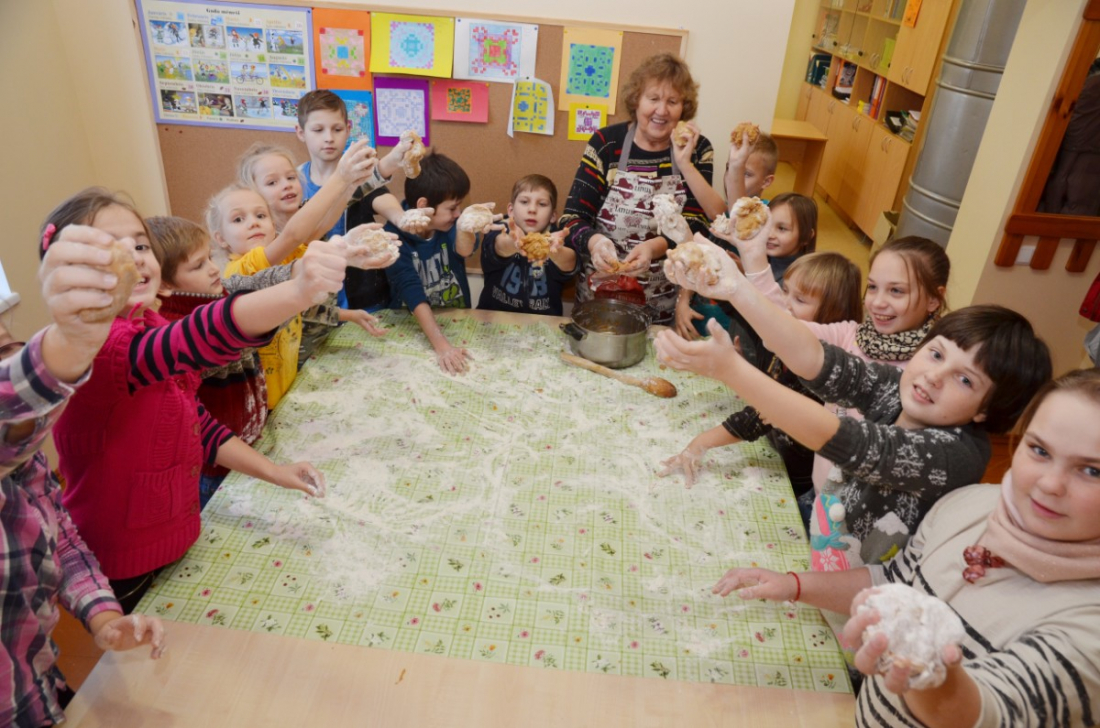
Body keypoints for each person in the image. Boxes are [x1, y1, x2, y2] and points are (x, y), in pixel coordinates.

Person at [657, 236, 1052, 627]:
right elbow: (816, 358)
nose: (933, 377)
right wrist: (736, 287)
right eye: (935, 354)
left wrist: (730, 370)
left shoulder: (954, 453)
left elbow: (845, 439)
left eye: (964, 380)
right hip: (828, 579)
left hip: (879, 621)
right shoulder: (897, 392)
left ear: (987, 410)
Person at [713, 368, 1100, 727]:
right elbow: (893, 582)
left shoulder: (1089, 627)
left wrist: (927, 672)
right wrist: (795, 585)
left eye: (1092, 470)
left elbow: (993, 713)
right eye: (1039, 450)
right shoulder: (968, 505)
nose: (1049, 483)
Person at [43, 188, 345, 612]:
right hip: (119, 563)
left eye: (140, 244)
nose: (132, 256)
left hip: (179, 532)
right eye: (109, 250)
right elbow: (199, 334)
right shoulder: (101, 350)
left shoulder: (149, 322)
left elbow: (197, 424)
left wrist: (274, 472)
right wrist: (299, 291)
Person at [1, 229, 166, 727]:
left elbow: (60, 541)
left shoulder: (25, 463)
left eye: (6, 338)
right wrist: (71, 344)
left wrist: (103, 617)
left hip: (37, 688)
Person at [661, 251, 862, 526]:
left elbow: (756, 418)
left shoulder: (820, 372)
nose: (785, 304)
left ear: (832, 315)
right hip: (776, 448)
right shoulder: (787, 337)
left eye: (800, 300)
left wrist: (699, 444)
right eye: (785, 292)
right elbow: (749, 318)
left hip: (797, 477)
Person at [210, 139, 378, 408]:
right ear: (221, 238)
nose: (253, 223)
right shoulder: (241, 267)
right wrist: (341, 178)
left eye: (260, 216)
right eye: (239, 220)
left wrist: (349, 188)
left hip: (287, 377)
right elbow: (294, 234)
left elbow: (315, 229)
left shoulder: (281, 248)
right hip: (260, 392)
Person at [148, 216, 297, 507]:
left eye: (209, 258)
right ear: (164, 283)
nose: (214, 268)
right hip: (214, 466)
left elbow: (256, 282)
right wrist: (301, 291)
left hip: (253, 442)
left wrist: (298, 270)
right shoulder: (174, 333)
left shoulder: (219, 291)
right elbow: (232, 339)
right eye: (198, 265)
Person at [559, 53, 715, 325]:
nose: (662, 110)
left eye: (672, 101)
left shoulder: (697, 149)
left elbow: (698, 224)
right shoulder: (606, 144)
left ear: (684, 108)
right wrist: (596, 243)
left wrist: (654, 247)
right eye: (653, 99)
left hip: (665, 304)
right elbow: (571, 220)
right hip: (600, 299)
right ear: (636, 100)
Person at [292, 90, 416, 310]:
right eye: (318, 130)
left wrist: (402, 217)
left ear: (348, 129)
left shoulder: (357, 173)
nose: (329, 137)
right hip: (314, 297)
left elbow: (375, 189)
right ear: (300, 132)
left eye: (337, 129)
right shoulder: (294, 182)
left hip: (364, 294)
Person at [384, 152, 494, 375]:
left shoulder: (450, 226)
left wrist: (466, 226)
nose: (458, 213)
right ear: (424, 205)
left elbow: (464, 250)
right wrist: (441, 346)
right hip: (413, 325)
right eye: (452, 208)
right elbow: (410, 289)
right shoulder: (393, 235)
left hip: (457, 320)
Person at [477, 174, 577, 316]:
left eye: (542, 204)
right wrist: (514, 243)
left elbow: (570, 263)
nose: (532, 209)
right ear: (511, 210)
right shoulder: (500, 230)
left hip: (542, 324)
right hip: (494, 320)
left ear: (553, 216)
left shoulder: (557, 238)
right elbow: (499, 247)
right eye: (524, 202)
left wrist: (553, 250)